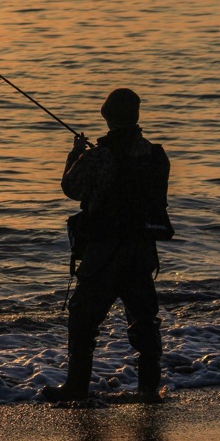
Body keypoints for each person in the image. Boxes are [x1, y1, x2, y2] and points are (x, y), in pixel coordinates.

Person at [43, 88, 171, 403]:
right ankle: (149, 388)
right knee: (144, 319)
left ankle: (76, 386)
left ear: (106, 115)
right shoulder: (156, 155)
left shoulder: (99, 155)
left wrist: (76, 154)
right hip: (141, 250)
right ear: (136, 115)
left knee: (83, 317)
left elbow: (71, 188)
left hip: (105, 251)